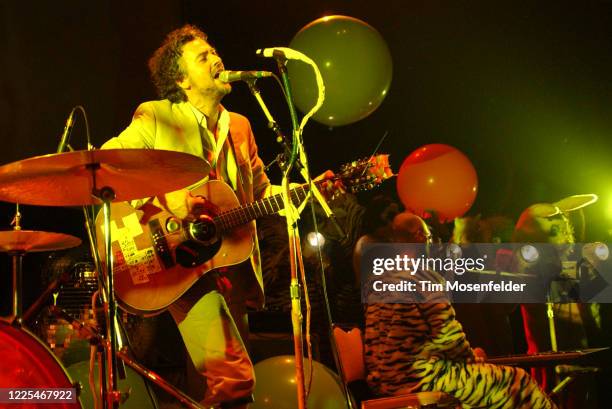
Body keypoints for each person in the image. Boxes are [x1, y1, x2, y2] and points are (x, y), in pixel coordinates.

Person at [102, 24, 273, 409]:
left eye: (215, 51)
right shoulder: (158, 117)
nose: (217, 58)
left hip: (229, 265)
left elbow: (262, 191)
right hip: (178, 260)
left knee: (208, 387)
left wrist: (312, 189)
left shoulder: (240, 127)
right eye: (203, 56)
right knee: (235, 381)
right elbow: (105, 172)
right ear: (181, 79)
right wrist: (172, 208)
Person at [362, 211, 557, 408]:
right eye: (430, 237)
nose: (433, 243)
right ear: (419, 238)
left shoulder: (377, 280)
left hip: (385, 383)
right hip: (423, 379)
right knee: (518, 382)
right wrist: (472, 359)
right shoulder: (423, 278)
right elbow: (447, 336)